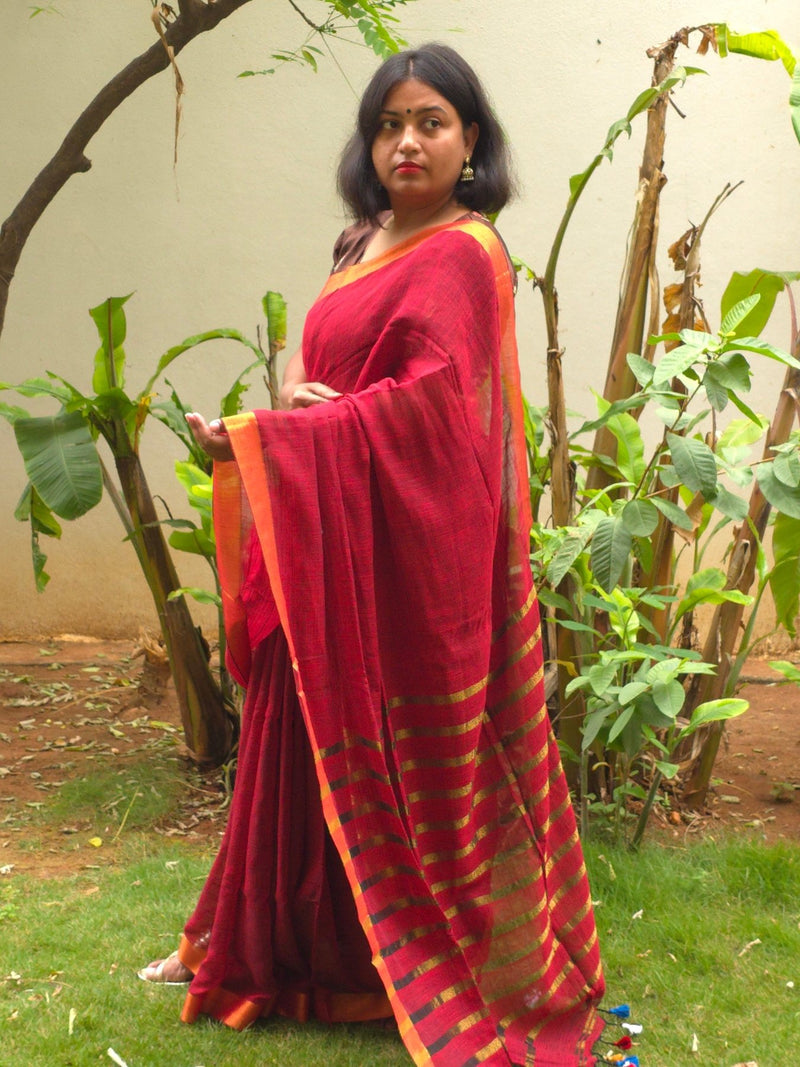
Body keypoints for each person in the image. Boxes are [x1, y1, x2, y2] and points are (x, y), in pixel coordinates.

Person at [140, 43, 606, 1066]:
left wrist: (293, 433)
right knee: (290, 730)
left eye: (430, 122)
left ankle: (383, 955)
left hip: (404, 545)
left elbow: (438, 407)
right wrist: (291, 430)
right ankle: (257, 941)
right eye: (389, 123)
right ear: (369, 140)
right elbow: (338, 383)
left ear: (468, 140)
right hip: (326, 528)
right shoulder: (357, 243)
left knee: (394, 745)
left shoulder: (465, 252)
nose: (407, 141)